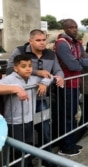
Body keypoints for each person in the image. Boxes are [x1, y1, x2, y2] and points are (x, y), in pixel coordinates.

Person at [6, 29, 64, 165]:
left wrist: (60, 77)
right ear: (30, 40)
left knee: (45, 130)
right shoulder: (20, 51)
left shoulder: (51, 54)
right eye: (38, 40)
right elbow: (9, 70)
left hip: (41, 99)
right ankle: (23, 161)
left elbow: (57, 70)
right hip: (22, 100)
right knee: (23, 134)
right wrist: (37, 72)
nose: (42, 43)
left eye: (44, 40)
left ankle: (47, 160)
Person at [0, 54, 53, 167]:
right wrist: (16, 88)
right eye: (23, 66)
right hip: (14, 121)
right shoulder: (10, 79)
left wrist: (44, 83)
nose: (28, 68)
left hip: (29, 119)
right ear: (15, 68)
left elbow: (50, 77)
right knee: (17, 149)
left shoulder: (33, 78)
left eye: (30, 65)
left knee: (28, 144)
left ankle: (27, 163)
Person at [54, 18, 88, 156]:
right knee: (67, 116)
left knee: (72, 115)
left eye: (76, 26)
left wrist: (79, 61)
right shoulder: (62, 44)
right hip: (66, 84)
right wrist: (80, 62)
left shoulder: (77, 43)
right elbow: (73, 66)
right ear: (65, 28)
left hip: (75, 83)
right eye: (71, 27)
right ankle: (66, 147)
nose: (74, 29)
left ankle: (70, 142)